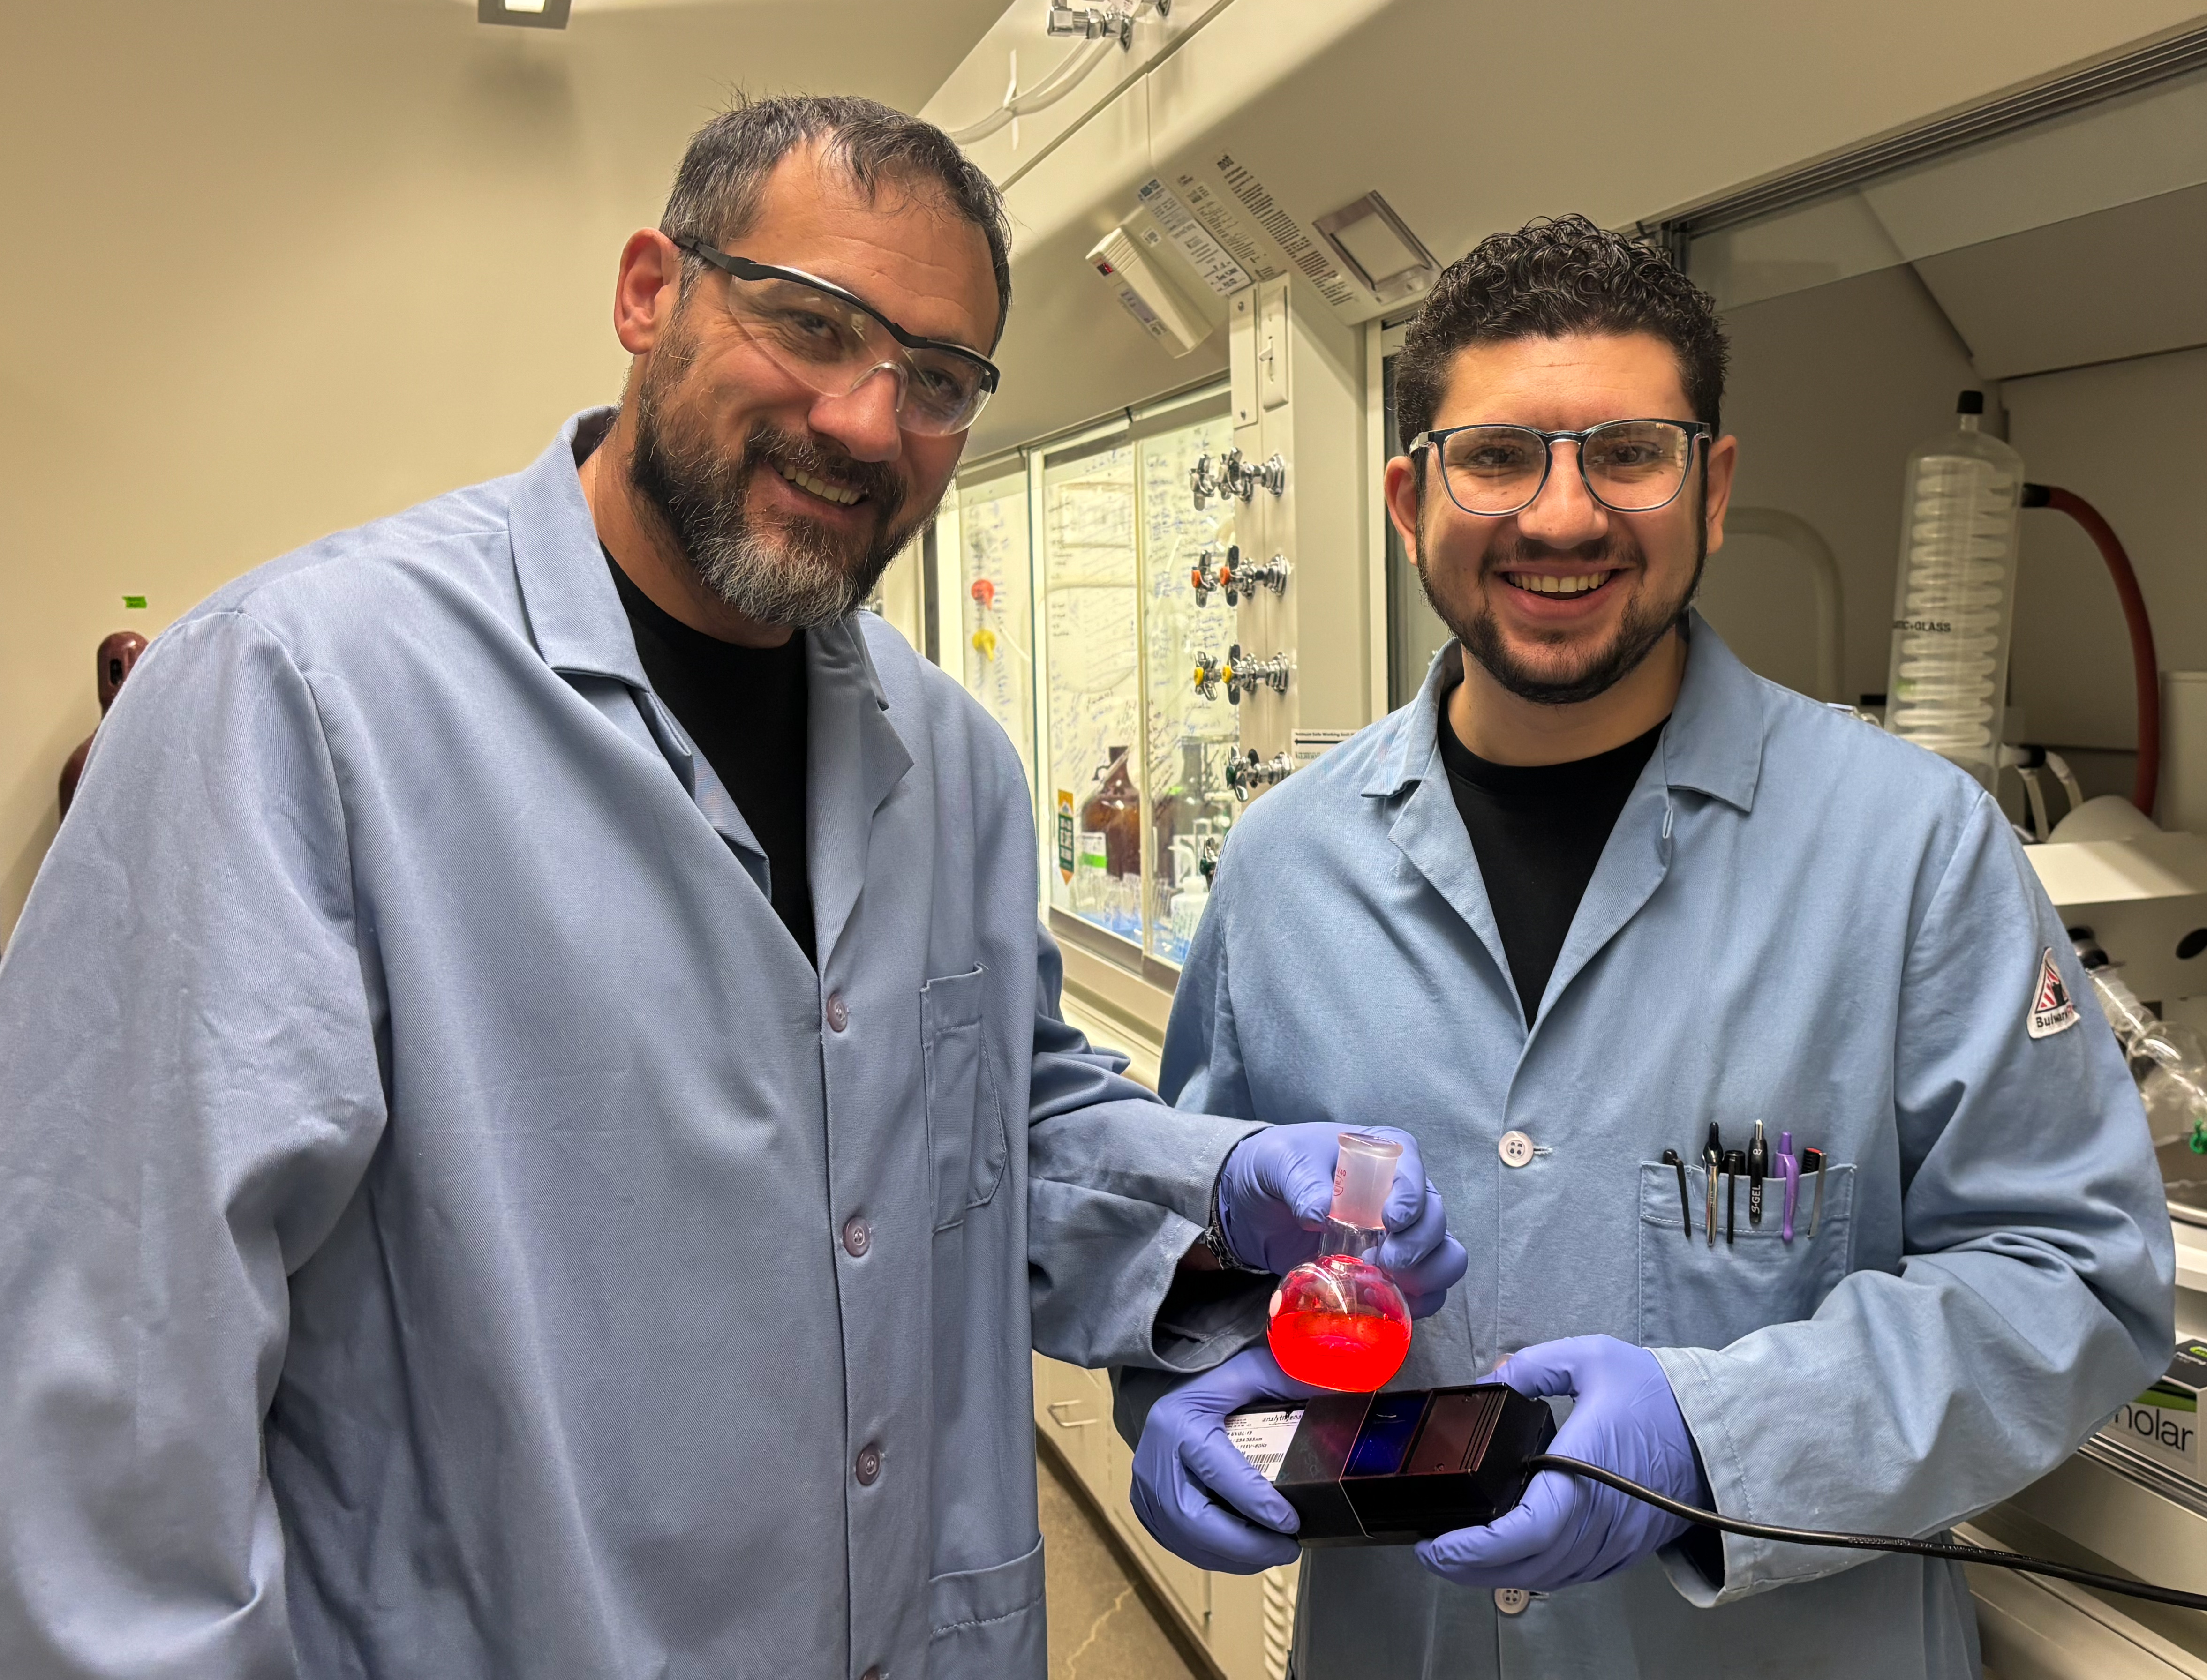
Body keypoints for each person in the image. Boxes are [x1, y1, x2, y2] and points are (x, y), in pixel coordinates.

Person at [0, 97, 1464, 1680]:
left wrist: (1214, 1201)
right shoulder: (294, 697)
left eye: (938, 380)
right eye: (810, 322)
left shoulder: (953, 765)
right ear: (650, 293)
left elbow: (987, 1131)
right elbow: (116, 1378)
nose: (862, 418)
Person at [1122, 215, 2174, 1678]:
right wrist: (1187, 1382)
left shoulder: (1912, 848)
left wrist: (1711, 1435)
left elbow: (2071, 1277)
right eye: (1495, 457)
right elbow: (1198, 1231)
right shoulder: (1287, 864)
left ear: (1713, 486)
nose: (1561, 518)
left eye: (1627, 452)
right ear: (1405, 498)